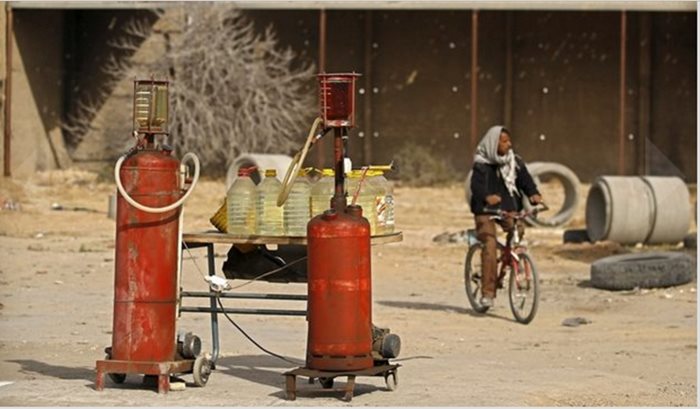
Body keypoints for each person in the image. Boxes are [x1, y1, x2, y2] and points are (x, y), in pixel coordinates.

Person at [469, 125, 542, 308]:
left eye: (509, 141)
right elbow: (476, 187)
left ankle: (508, 259)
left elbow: (525, 180)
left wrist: (533, 194)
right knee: (490, 245)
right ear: (494, 143)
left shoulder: (514, 162)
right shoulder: (481, 165)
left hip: (507, 210)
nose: (508, 145)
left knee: (518, 229)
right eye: (504, 141)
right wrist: (487, 197)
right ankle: (487, 293)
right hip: (485, 211)